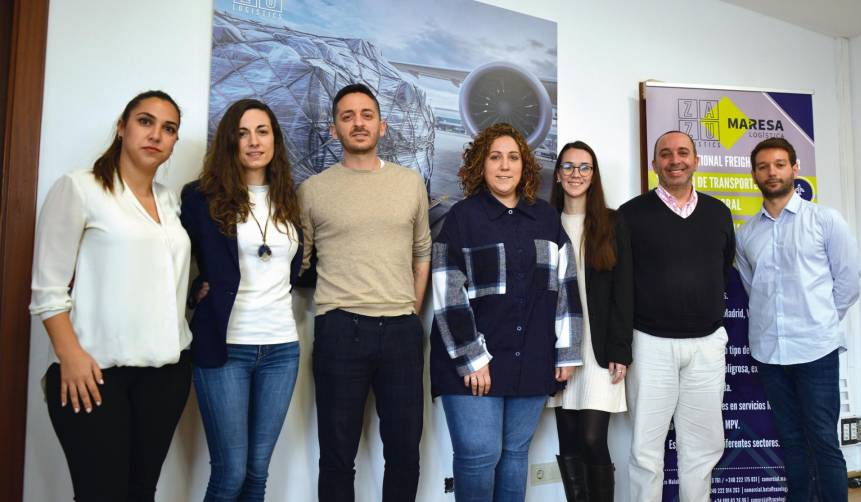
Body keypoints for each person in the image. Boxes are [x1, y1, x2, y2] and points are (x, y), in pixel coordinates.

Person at [29, 90, 192, 501]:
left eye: (168, 128)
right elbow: (48, 289)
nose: (156, 134)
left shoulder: (169, 202)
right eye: (145, 121)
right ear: (122, 128)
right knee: (100, 492)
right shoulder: (80, 188)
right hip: (95, 373)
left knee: (141, 492)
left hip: (165, 374)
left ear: (174, 142)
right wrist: (71, 356)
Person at [431, 122, 583, 502]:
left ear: (525, 166)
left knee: (515, 456)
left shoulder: (546, 218)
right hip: (473, 364)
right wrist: (473, 358)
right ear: (481, 166)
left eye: (513, 157)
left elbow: (566, 286)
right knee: (479, 457)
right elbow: (447, 291)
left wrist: (567, 351)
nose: (504, 166)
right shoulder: (463, 218)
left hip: (531, 357)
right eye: (495, 157)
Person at [297, 83, 431, 502]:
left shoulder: (410, 183)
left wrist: (411, 310)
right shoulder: (313, 190)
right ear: (334, 129)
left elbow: (422, 252)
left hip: (401, 332)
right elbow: (297, 263)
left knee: (405, 451)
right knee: (337, 456)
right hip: (340, 330)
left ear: (382, 126)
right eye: (347, 116)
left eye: (367, 114)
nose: (358, 122)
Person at [180, 98, 303, 501]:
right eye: (242, 133)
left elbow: (296, 265)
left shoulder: (289, 198)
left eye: (262, 131)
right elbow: (173, 257)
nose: (253, 142)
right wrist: (194, 289)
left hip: (281, 348)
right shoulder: (200, 197)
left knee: (257, 472)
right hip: (225, 348)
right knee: (230, 473)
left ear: (275, 140)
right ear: (229, 141)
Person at [736, 138, 859, 502]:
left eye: (779, 164)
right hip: (770, 353)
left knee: (823, 440)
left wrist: (819, 320)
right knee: (789, 440)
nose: (771, 172)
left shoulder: (824, 220)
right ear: (754, 174)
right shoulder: (747, 234)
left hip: (816, 350)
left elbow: (848, 283)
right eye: (763, 166)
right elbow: (751, 287)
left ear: (794, 168)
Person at [619, 130, 735, 502]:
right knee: (645, 451)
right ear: (655, 164)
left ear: (696, 160)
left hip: (706, 346)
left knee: (702, 450)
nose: (675, 160)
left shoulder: (718, 213)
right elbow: (620, 284)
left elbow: (725, 265)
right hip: (651, 345)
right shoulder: (631, 214)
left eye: (683, 152)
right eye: (665, 154)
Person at [546, 141, 632, 502]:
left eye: (584, 167)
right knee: (568, 440)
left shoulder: (612, 222)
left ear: (593, 175)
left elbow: (624, 291)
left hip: (598, 350)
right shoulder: (544, 221)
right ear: (557, 174)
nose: (576, 174)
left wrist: (620, 349)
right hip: (558, 347)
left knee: (593, 437)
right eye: (568, 167)